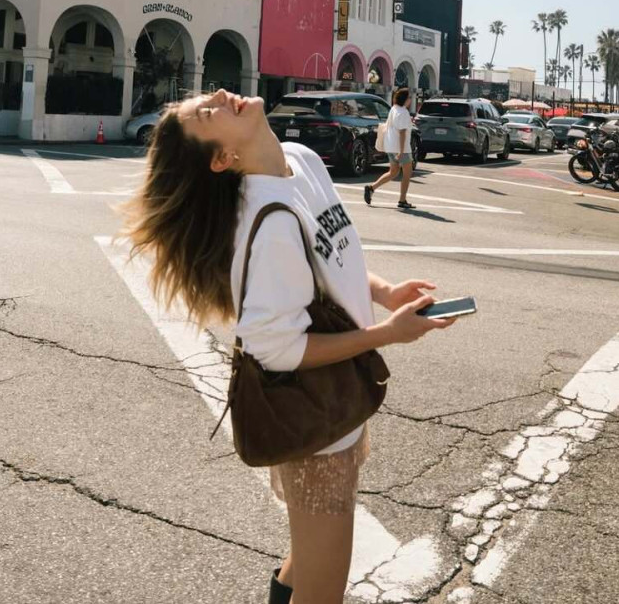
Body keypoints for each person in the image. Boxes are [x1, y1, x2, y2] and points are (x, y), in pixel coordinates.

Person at [117, 89, 455, 604]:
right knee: (322, 592)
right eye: (208, 112)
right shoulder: (268, 222)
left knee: (309, 566)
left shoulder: (302, 159)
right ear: (223, 159)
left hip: (336, 403)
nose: (220, 96)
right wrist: (387, 334)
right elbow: (275, 351)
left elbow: (331, 257)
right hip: (316, 429)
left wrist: (385, 292)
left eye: (207, 97)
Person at [364, 88, 415, 209]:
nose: (411, 100)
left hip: (391, 146)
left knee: (394, 172)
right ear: (404, 99)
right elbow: (402, 132)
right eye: (409, 97)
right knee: (407, 174)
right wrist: (401, 151)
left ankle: (371, 188)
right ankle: (402, 200)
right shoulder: (403, 112)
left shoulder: (394, 109)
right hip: (401, 148)